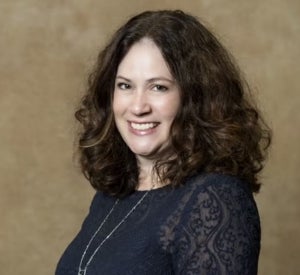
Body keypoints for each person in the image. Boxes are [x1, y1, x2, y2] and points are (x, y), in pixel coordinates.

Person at [56, 10, 271, 275]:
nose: (138, 106)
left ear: (196, 98)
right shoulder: (114, 192)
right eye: (125, 86)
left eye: (158, 87)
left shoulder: (214, 198)